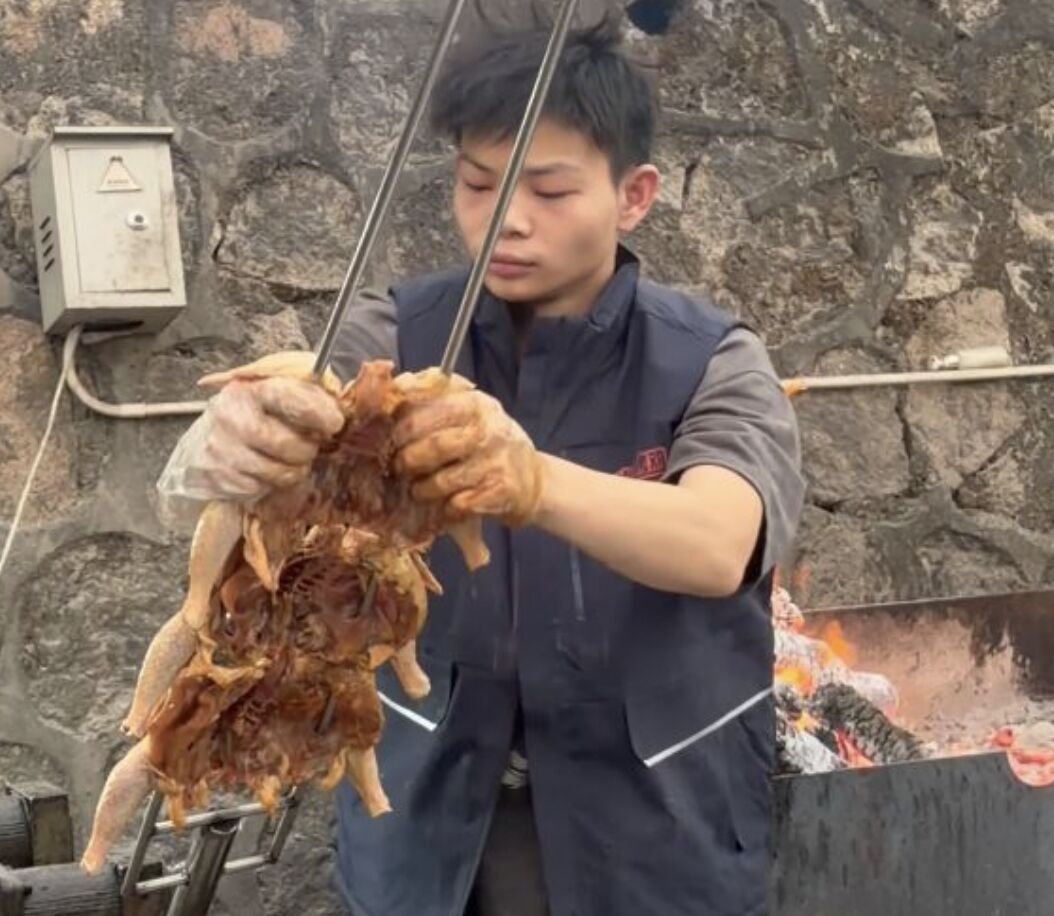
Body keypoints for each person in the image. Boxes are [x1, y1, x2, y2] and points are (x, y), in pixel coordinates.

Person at [157, 14, 804, 916]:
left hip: (653, 828)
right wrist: (226, 440)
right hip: (433, 817)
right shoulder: (398, 334)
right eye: (478, 184)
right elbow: (287, 412)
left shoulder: (712, 359)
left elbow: (717, 542)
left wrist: (533, 483)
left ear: (635, 194)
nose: (508, 220)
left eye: (548, 190)